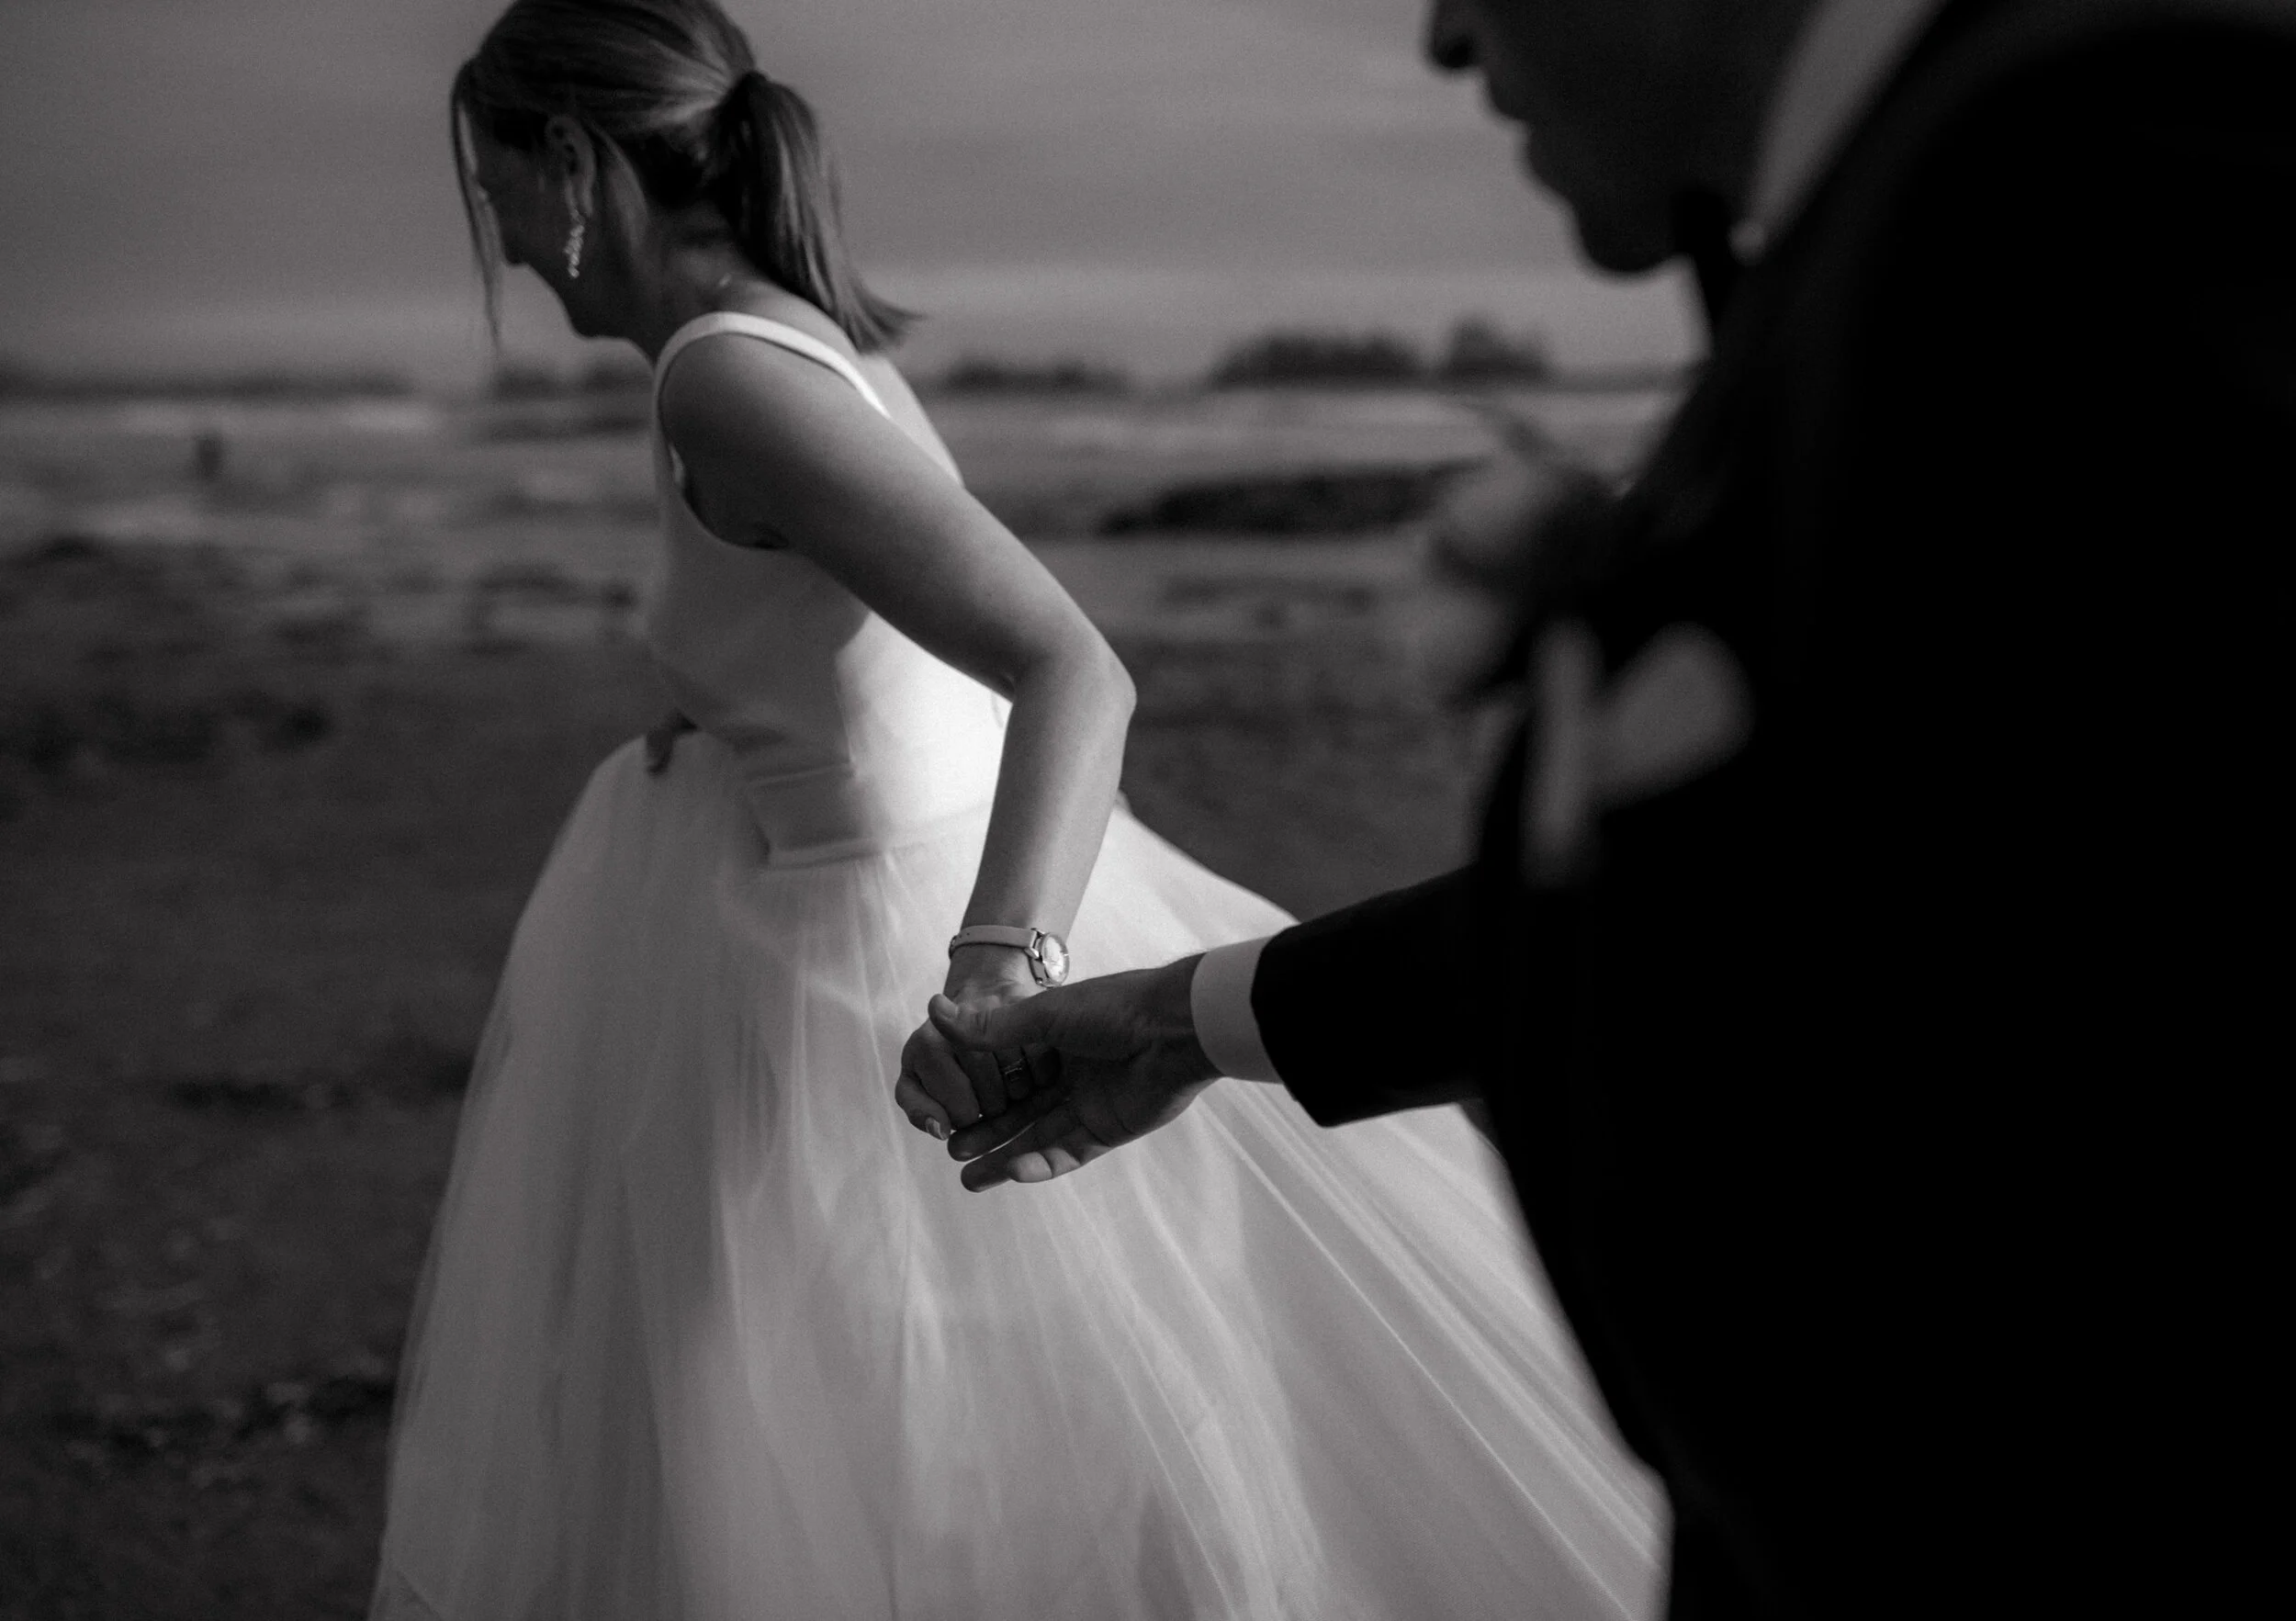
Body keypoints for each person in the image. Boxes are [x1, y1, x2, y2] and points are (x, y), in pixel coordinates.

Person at [921, 0, 2296, 1615]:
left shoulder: (2123, 165)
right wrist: (1185, 1021)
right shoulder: (1901, 214)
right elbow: (1866, 870)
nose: (1440, 43)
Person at [373, 2, 1666, 1615]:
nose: (499, 241)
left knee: (882, 1475)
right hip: (825, 903)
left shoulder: (723, 379)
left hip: (864, 962)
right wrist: (717, 715)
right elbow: (840, 643)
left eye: (491, 188)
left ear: (569, 161)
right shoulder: (784, 339)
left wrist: (1000, 966)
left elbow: (1072, 667)